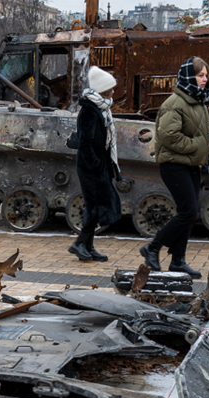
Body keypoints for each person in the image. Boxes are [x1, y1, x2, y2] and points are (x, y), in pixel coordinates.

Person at [140, 57, 209, 279]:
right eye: (201, 75)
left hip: (190, 164)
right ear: (190, 76)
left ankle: (178, 261)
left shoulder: (198, 101)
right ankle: (153, 247)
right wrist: (199, 144)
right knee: (189, 211)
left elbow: (193, 132)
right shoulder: (174, 103)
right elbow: (169, 136)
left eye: (206, 76)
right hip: (174, 165)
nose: (205, 80)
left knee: (189, 214)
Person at [68, 66, 120, 263]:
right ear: (104, 90)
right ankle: (80, 243)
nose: (114, 92)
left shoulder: (101, 109)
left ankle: (87, 246)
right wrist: (96, 165)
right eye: (111, 89)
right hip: (90, 166)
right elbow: (86, 143)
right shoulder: (90, 111)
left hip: (99, 164)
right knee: (94, 206)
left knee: (95, 205)